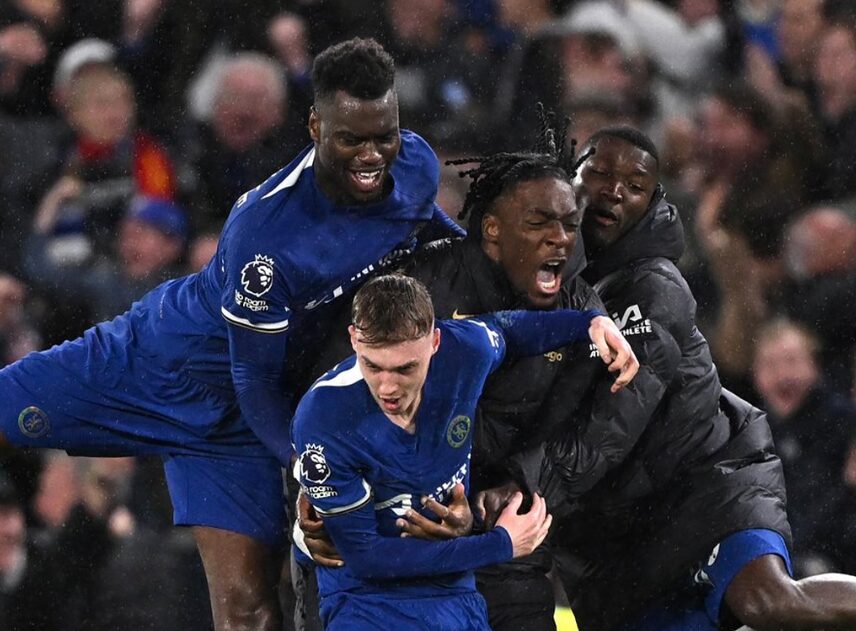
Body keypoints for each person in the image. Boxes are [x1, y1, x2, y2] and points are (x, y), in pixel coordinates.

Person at [0, 37, 463, 630]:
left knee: (250, 612)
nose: (373, 156)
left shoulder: (416, 166)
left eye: (385, 135)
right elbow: (253, 377)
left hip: (240, 425)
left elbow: (445, 250)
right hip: (157, 365)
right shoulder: (265, 235)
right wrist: (310, 468)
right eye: (352, 139)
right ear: (315, 126)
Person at [297, 110, 647, 631]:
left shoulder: (561, 321)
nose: (560, 239)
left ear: (436, 343)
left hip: (492, 544)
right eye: (539, 223)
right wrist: (310, 493)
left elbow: (593, 426)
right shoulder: (418, 291)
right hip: (382, 556)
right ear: (492, 230)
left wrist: (514, 486)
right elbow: (330, 404)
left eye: (569, 225)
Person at [534, 126, 856, 630]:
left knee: (769, 601)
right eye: (600, 172)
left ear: (651, 202)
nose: (614, 190)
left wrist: (528, 487)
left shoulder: (652, 285)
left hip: (703, 480)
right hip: (613, 532)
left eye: (635, 185)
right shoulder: (534, 277)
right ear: (569, 177)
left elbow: (619, 416)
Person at [291, 273, 636, 630]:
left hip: (452, 588)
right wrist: (500, 545)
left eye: (406, 368)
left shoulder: (466, 351)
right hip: (364, 598)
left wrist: (589, 323)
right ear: (354, 340)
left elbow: (508, 332)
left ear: (435, 342)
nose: (387, 387)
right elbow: (366, 557)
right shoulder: (323, 418)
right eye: (373, 366)